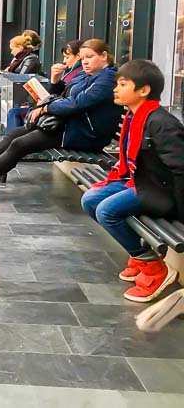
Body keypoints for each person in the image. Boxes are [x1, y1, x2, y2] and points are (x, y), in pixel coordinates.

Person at [0, 39, 121, 196]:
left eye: (90, 57)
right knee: (15, 134)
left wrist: (45, 108)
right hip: (68, 125)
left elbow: (76, 104)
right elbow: (62, 95)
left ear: (104, 56)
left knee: (20, 144)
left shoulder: (106, 79)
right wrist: (55, 80)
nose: (85, 62)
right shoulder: (86, 74)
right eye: (82, 59)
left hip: (84, 133)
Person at [81, 60, 184, 303]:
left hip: (159, 190)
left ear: (144, 90)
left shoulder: (161, 123)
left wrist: (180, 211)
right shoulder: (134, 115)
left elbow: (180, 168)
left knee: (108, 211)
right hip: (139, 180)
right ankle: (140, 256)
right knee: (90, 199)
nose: (115, 89)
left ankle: (153, 268)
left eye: (123, 84)